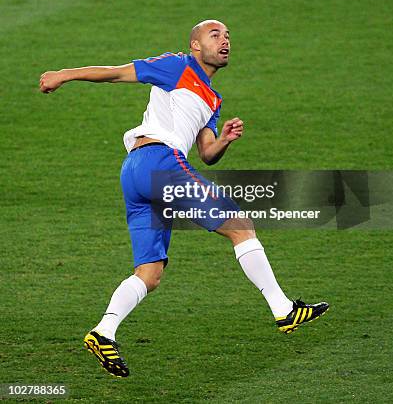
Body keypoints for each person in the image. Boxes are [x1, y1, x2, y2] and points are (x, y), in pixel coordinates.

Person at [39, 19, 329, 378]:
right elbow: (117, 73)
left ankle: (103, 332)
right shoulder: (177, 65)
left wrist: (223, 139)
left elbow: (206, 153)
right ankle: (283, 309)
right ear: (195, 45)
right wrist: (63, 74)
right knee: (241, 226)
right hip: (158, 162)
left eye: (228, 36)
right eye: (215, 35)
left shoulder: (214, 100)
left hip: (136, 172)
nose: (225, 41)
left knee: (150, 273)